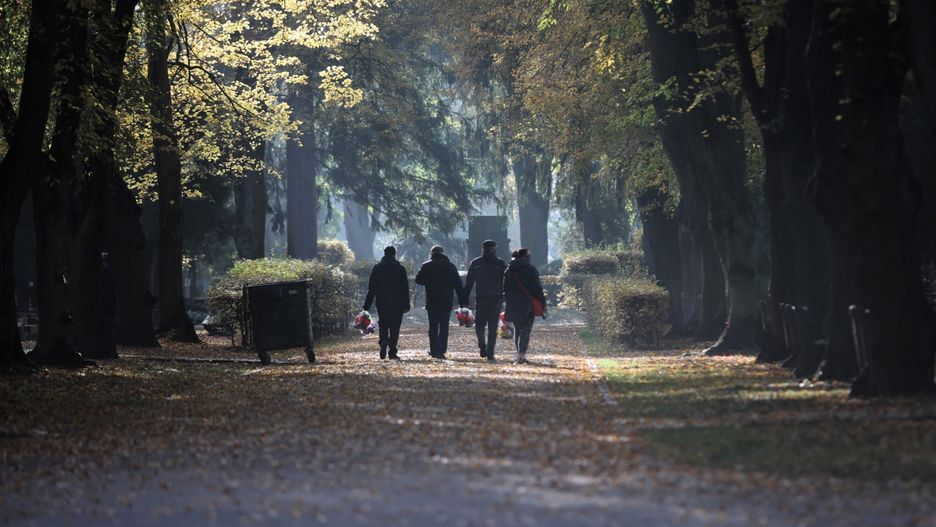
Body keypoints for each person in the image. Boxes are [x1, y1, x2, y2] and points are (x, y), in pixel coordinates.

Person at [415, 245, 464, 359]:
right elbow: (458, 285)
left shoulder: (426, 265)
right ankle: (441, 350)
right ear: (443, 253)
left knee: (433, 326)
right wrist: (462, 301)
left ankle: (433, 350)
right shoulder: (451, 266)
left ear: (431, 254)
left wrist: (429, 280)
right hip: (446, 301)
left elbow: (418, 280)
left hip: (432, 300)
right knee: (444, 326)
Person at [363, 246, 411, 360]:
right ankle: (392, 351)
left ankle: (384, 340)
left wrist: (366, 305)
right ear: (394, 254)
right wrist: (406, 305)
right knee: (395, 327)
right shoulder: (400, 269)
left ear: (384, 254)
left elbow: (371, 288)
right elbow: (405, 288)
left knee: (383, 324)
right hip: (397, 303)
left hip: (382, 301)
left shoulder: (377, 268)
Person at [462, 240, 506, 361]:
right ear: (493, 249)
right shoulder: (500, 263)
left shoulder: (476, 263)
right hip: (496, 298)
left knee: (480, 324)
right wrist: (505, 296)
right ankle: (490, 353)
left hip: (481, 298)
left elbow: (469, 283)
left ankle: (482, 345)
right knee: (492, 326)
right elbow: (507, 280)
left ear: (483, 249)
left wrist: (464, 299)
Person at [503, 248, 547, 364]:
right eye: (529, 256)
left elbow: (505, 289)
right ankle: (521, 355)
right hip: (528, 303)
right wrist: (543, 303)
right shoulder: (531, 269)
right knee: (525, 330)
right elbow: (537, 288)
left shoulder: (508, 270)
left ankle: (519, 354)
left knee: (518, 329)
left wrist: (508, 301)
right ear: (524, 257)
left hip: (512, 303)